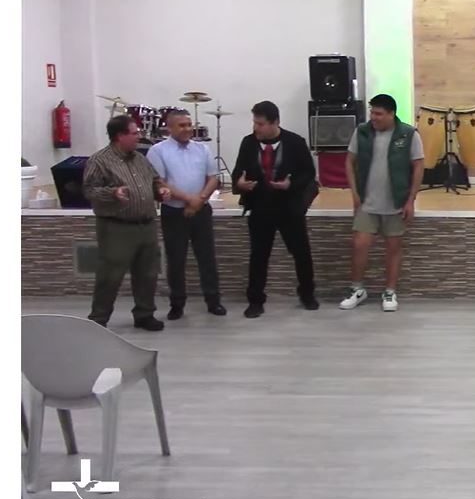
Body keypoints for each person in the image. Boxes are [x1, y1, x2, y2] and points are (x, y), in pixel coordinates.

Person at [81, 115, 171, 330]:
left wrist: (160, 190)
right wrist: (113, 193)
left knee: (148, 273)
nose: (139, 136)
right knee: (110, 275)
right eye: (134, 133)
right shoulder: (99, 160)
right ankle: (98, 319)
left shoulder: (140, 158)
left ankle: (144, 314)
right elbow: (89, 190)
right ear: (119, 136)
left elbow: (155, 180)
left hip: (146, 224)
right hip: (116, 227)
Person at [231, 101, 319, 318]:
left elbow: (308, 173)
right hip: (260, 207)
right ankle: (255, 300)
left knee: (301, 253)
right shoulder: (248, 143)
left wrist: (291, 185)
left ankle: (307, 294)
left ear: (275, 122)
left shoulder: (295, 142)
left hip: (289, 207)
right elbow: (237, 172)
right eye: (255, 122)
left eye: (260, 124)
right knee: (259, 255)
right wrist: (240, 184)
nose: (256, 128)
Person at [339, 94, 424, 311]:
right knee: (359, 245)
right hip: (367, 202)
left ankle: (390, 292)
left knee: (393, 248)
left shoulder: (408, 134)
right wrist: (354, 194)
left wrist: (411, 200)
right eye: (372, 112)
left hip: (396, 202)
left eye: (378, 113)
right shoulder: (362, 132)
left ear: (391, 114)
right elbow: (349, 161)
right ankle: (357, 289)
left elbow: (418, 166)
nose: (373, 117)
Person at [146, 109, 225, 318]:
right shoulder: (158, 151)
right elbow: (160, 183)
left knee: (207, 258)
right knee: (176, 260)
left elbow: (213, 178)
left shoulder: (202, 149)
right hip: (174, 212)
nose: (188, 129)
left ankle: (213, 301)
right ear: (169, 128)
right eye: (182, 125)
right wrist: (190, 200)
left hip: (201, 210)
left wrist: (199, 200)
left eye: (189, 124)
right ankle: (177, 304)